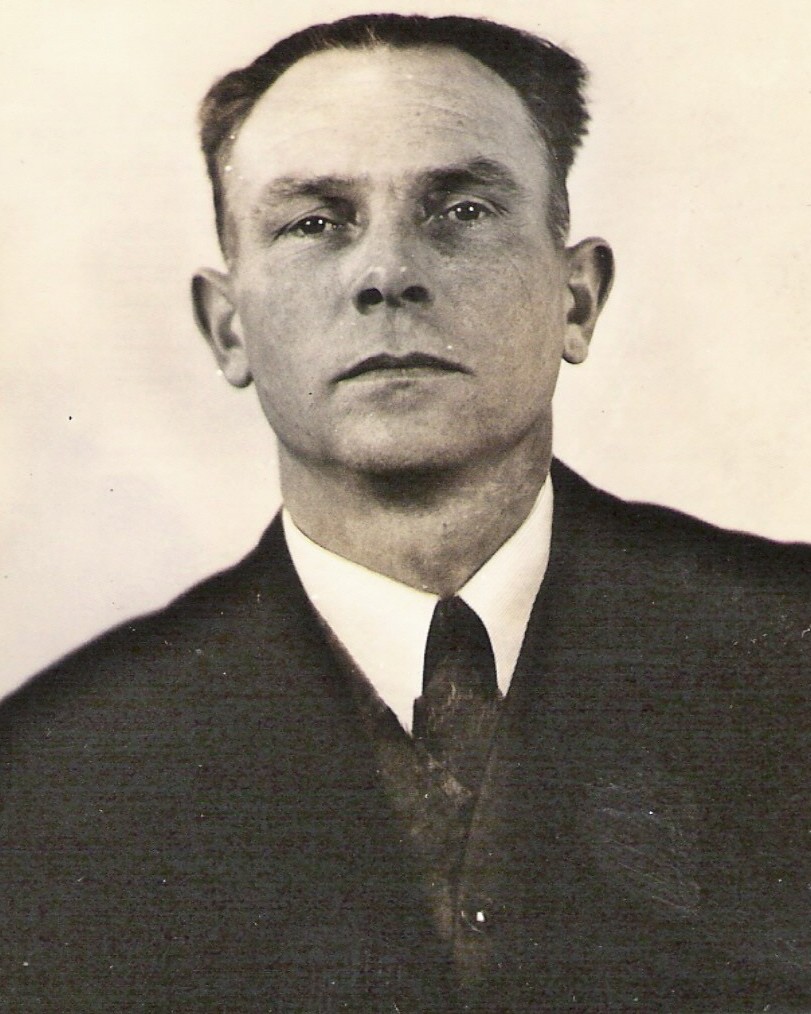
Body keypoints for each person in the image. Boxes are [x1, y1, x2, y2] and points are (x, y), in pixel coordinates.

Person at [1, 13, 809, 1012]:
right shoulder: (56, 771)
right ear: (228, 327)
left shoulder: (789, 649)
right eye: (314, 222)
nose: (388, 274)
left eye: (461, 210)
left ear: (576, 299)